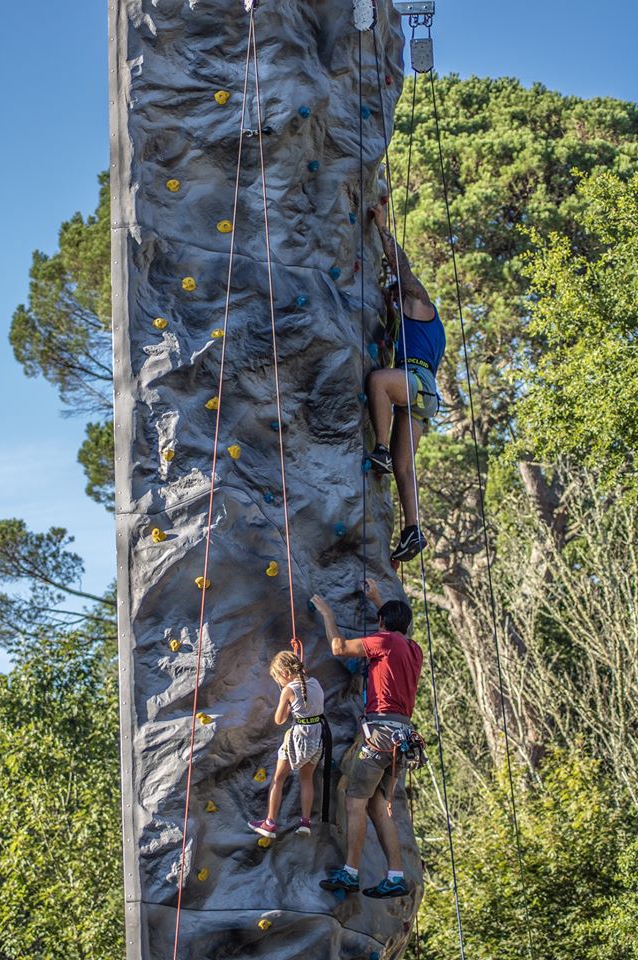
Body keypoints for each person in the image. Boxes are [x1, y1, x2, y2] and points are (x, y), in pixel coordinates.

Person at [310, 579, 423, 899]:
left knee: (354, 800)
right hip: (402, 736)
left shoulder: (384, 641)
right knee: (376, 804)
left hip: (379, 733)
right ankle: (396, 874)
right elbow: (397, 631)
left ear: (383, 625)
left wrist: (328, 614)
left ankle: (350, 872)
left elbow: (338, 648)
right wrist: (379, 601)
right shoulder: (414, 650)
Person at [366, 202, 446, 563]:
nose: (395, 298)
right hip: (424, 394)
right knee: (404, 467)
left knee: (380, 381)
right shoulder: (415, 324)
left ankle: (379, 447)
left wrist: (382, 228)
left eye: (397, 294)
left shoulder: (421, 303)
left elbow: (402, 267)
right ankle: (413, 529)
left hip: (416, 379)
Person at [247, 651, 325, 840]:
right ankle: (305, 822)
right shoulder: (315, 683)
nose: (279, 683)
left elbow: (279, 720)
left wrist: (287, 706)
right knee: (307, 780)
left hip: (297, 738)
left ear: (284, 673)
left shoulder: (289, 690)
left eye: (277, 678)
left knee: (278, 779)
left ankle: (270, 822)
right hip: (317, 736)